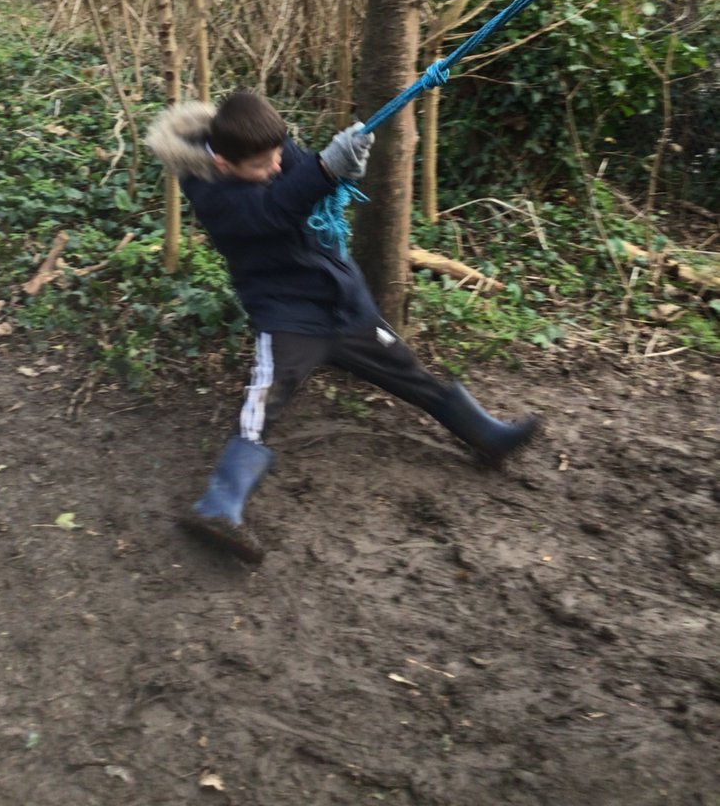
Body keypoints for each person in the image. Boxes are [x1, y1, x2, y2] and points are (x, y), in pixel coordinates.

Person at [145, 91, 539, 563]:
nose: (275, 166)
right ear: (224, 163)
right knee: (262, 404)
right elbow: (272, 211)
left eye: (278, 155)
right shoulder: (209, 191)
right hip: (289, 317)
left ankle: (486, 436)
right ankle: (219, 505)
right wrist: (324, 169)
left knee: (409, 371)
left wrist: (342, 162)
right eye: (262, 166)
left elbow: (304, 172)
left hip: (344, 304)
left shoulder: (261, 147)